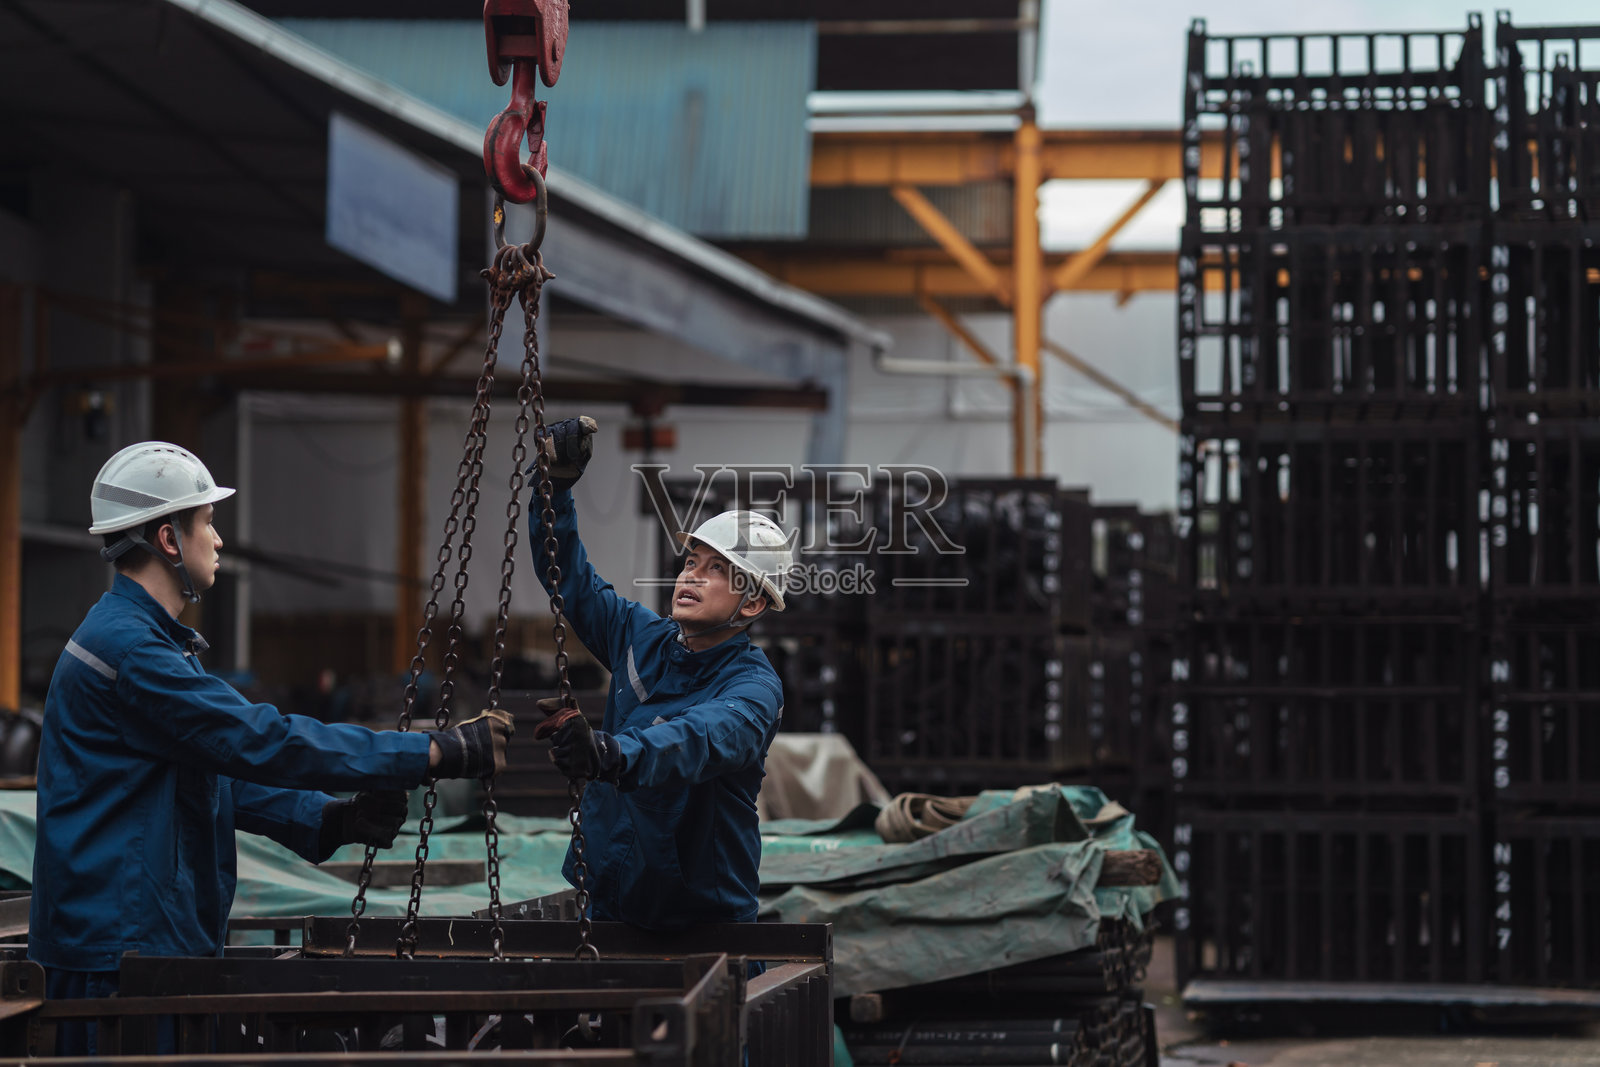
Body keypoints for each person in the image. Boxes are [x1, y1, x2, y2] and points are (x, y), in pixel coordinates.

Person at [31, 441, 514, 1052]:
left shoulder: (145, 641)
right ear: (169, 540)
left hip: (145, 943)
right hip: (119, 958)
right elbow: (260, 740)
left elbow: (214, 777)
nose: (219, 540)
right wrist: (432, 753)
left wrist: (330, 819)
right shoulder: (133, 653)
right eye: (207, 522)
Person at [528, 417, 793, 932]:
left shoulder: (753, 689)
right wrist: (553, 490)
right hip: (606, 904)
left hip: (704, 926)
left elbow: (701, 738)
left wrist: (610, 752)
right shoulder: (639, 636)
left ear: (754, 601)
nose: (692, 574)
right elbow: (569, 578)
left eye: (718, 569)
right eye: (692, 561)